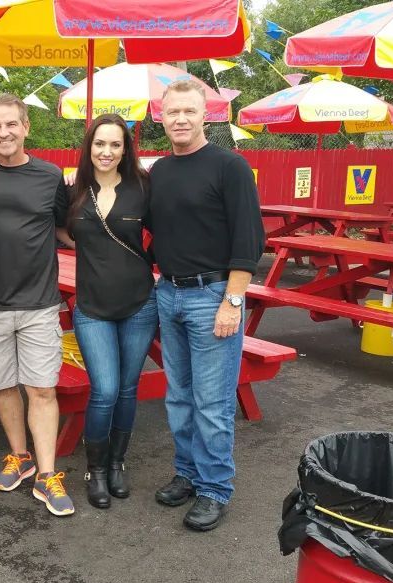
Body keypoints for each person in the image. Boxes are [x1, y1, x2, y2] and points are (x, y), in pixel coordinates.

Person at [147, 79, 264, 531]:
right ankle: (189, 473)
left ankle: (215, 488)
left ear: (205, 115)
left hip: (213, 295)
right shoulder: (158, 171)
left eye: (188, 112)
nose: (179, 119)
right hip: (169, 293)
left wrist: (233, 301)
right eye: (172, 112)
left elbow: (248, 240)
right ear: (162, 116)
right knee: (178, 396)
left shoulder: (229, 166)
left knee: (212, 403)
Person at [0, 93, 74, 517]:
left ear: (26, 127)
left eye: (12, 124)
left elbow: (66, 228)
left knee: (42, 387)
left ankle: (48, 475)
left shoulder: (49, 177)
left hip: (39, 301)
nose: (4, 132)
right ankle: (20, 455)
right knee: (2, 385)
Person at [57, 114, 156, 509]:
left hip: (140, 304)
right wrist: (86, 245)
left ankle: (117, 464)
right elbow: (56, 227)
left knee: (129, 390)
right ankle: (95, 470)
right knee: (106, 390)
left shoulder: (143, 188)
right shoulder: (73, 190)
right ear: (89, 147)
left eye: (115, 145)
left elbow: (168, 229)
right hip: (93, 306)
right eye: (100, 144)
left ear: (125, 150)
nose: (107, 152)